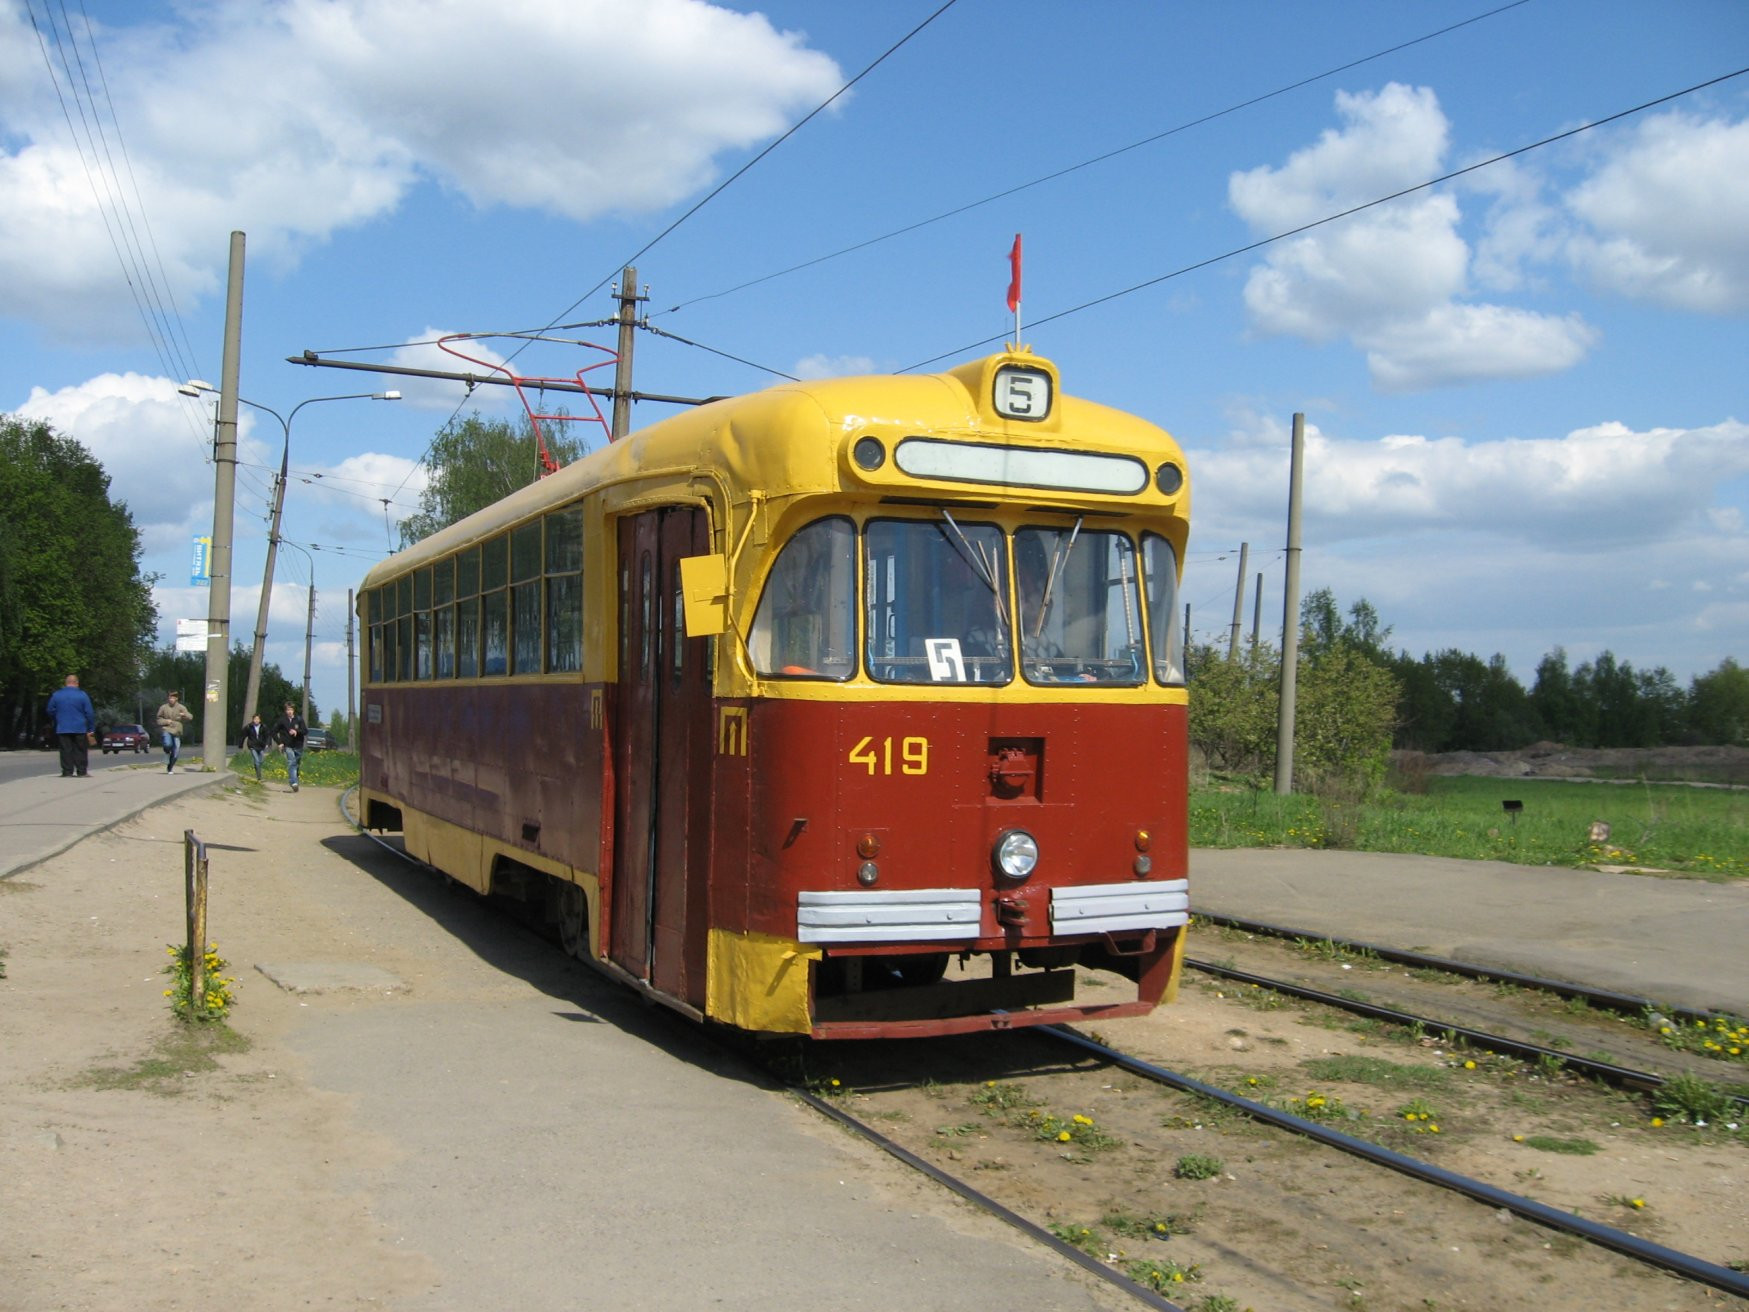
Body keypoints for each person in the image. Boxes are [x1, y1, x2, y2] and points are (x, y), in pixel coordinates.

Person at [45, 673, 96, 778]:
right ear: (77, 683)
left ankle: (67, 772)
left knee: (65, 750)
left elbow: (50, 710)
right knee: (80, 750)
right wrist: (91, 728)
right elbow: (89, 713)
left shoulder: (57, 695)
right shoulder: (82, 695)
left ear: (66, 683)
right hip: (80, 727)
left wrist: (57, 717)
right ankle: (81, 772)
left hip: (63, 726)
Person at [272, 701, 307, 792]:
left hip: (298, 745)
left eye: (291, 710)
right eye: (288, 710)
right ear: (285, 710)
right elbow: (273, 732)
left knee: (297, 764)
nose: (289, 711)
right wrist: (279, 743)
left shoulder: (299, 719)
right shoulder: (282, 720)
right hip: (288, 745)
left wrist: (297, 731)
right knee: (292, 762)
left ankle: (295, 779)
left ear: (294, 710)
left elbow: (305, 731)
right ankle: (293, 782)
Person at [156, 690, 194, 773]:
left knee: (176, 752)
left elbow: (190, 717)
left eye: (173, 698)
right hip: (167, 729)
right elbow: (158, 720)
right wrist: (166, 721)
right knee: (167, 744)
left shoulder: (181, 707)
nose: (171, 699)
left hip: (177, 731)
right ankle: (166, 752)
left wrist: (184, 715)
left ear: (176, 699)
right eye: (170, 698)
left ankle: (170, 767)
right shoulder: (163, 707)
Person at [239, 713, 269, 783]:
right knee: (257, 760)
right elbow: (243, 736)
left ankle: (257, 768)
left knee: (261, 760)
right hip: (252, 746)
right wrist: (241, 744)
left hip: (261, 746)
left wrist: (267, 743)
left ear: (260, 720)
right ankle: (259, 778)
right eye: (255, 719)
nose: (256, 720)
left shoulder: (263, 726)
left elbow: (267, 735)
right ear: (253, 720)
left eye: (258, 719)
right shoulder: (249, 727)